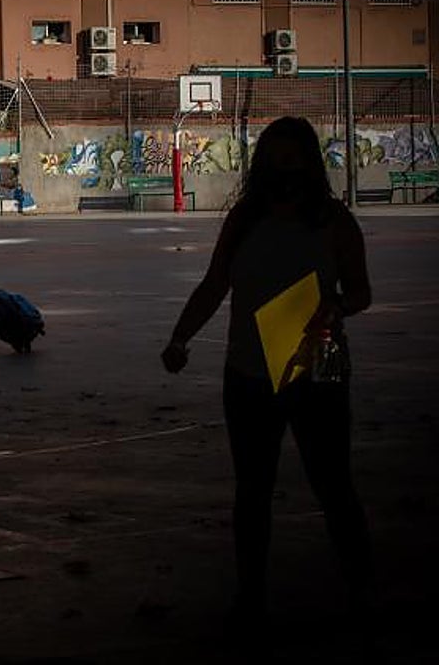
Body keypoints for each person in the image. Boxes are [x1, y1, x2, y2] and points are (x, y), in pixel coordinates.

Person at [161, 116, 372, 637]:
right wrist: (180, 337)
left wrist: (336, 307)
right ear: (262, 167)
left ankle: (363, 594)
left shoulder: (335, 222)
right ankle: (250, 597)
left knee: (334, 485)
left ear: (309, 164)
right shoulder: (244, 221)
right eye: (275, 160)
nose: (285, 171)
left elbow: (362, 292)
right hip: (250, 371)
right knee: (253, 490)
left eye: (293, 159)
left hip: (317, 367)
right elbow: (215, 285)